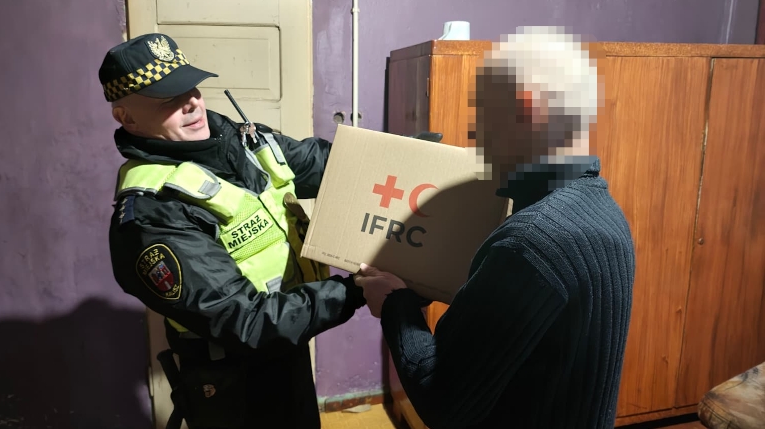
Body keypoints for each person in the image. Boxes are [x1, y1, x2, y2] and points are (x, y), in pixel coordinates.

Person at [354, 26, 636, 429]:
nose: (475, 138)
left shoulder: (532, 243)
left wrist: (394, 306)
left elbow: (443, 400)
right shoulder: (605, 212)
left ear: (525, 110)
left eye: (482, 117)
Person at [98, 32, 373, 429]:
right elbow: (244, 320)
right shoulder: (152, 216)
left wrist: (403, 159)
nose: (192, 103)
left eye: (190, 87)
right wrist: (356, 292)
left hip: (289, 341)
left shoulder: (238, 141)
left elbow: (320, 163)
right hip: (234, 381)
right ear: (126, 117)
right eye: (168, 99)